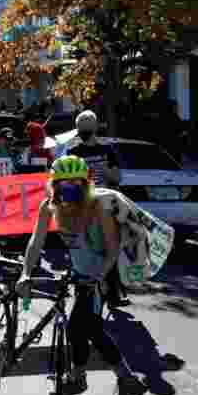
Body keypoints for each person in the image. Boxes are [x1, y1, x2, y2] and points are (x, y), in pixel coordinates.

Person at [17, 156, 147, 395]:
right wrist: (25, 272)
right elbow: (36, 242)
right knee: (86, 329)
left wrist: (97, 279)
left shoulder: (97, 207)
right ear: (53, 185)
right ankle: (121, 380)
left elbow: (112, 249)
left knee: (81, 326)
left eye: (75, 184)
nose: (69, 190)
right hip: (81, 273)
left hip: (102, 274)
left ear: (85, 183)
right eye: (63, 184)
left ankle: (86, 380)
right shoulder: (49, 206)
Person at [67, 110, 127, 307]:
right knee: (90, 249)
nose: (84, 131)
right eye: (81, 128)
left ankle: (112, 293)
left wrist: (106, 171)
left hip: (106, 206)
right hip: (85, 208)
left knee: (111, 247)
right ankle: (91, 289)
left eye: (87, 128)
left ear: (94, 128)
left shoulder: (107, 150)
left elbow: (117, 178)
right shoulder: (73, 153)